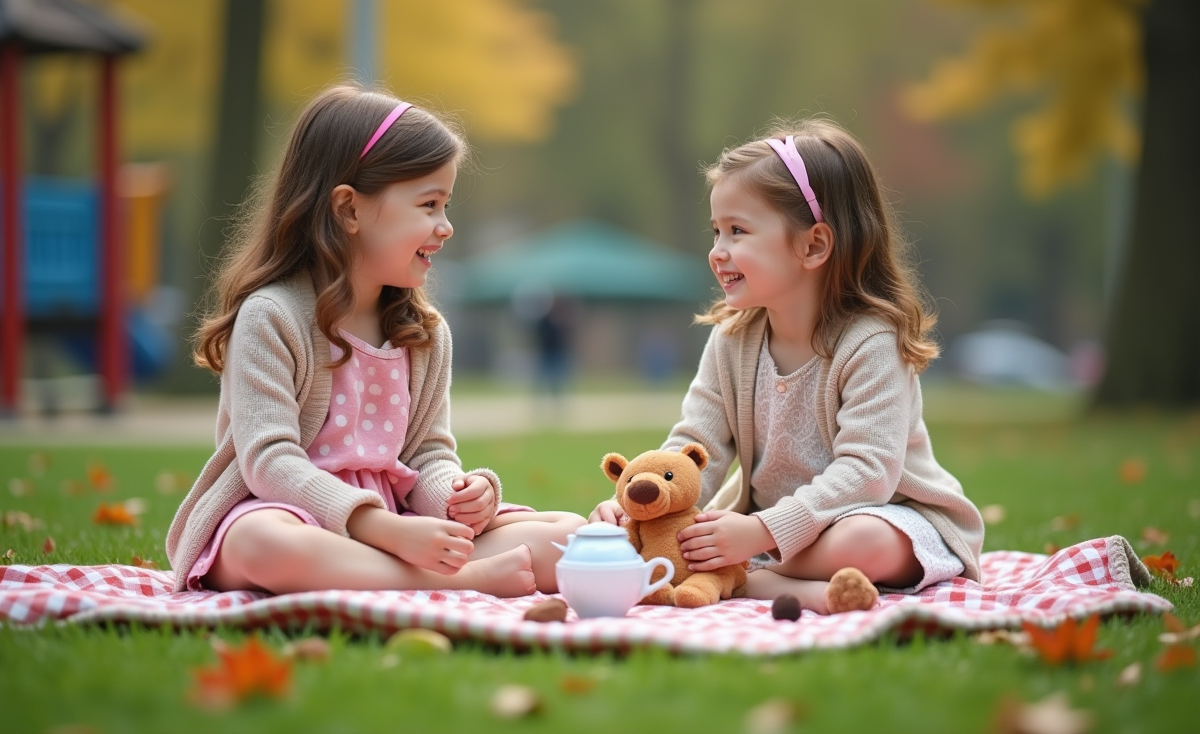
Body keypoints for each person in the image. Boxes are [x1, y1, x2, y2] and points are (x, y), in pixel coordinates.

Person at [167, 85, 584, 597]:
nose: (446, 226)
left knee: (570, 535)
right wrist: (380, 529)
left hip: (397, 527)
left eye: (446, 205)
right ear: (349, 210)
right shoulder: (271, 317)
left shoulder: (424, 334)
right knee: (264, 544)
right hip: (292, 516)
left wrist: (454, 497)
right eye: (429, 205)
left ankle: (406, 576)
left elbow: (429, 453)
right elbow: (270, 462)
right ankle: (458, 583)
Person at [590, 119, 984, 614]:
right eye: (716, 231)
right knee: (671, 537)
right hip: (768, 536)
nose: (717, 252)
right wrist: (647, 510)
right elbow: (697, 448)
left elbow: (868, 472)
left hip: (888, 517)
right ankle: (770, 579)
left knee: (860, 542)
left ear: (813, 245)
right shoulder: (732, 339)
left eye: (738, 231)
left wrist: (760, 532)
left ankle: (748, 580)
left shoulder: (871, 341)